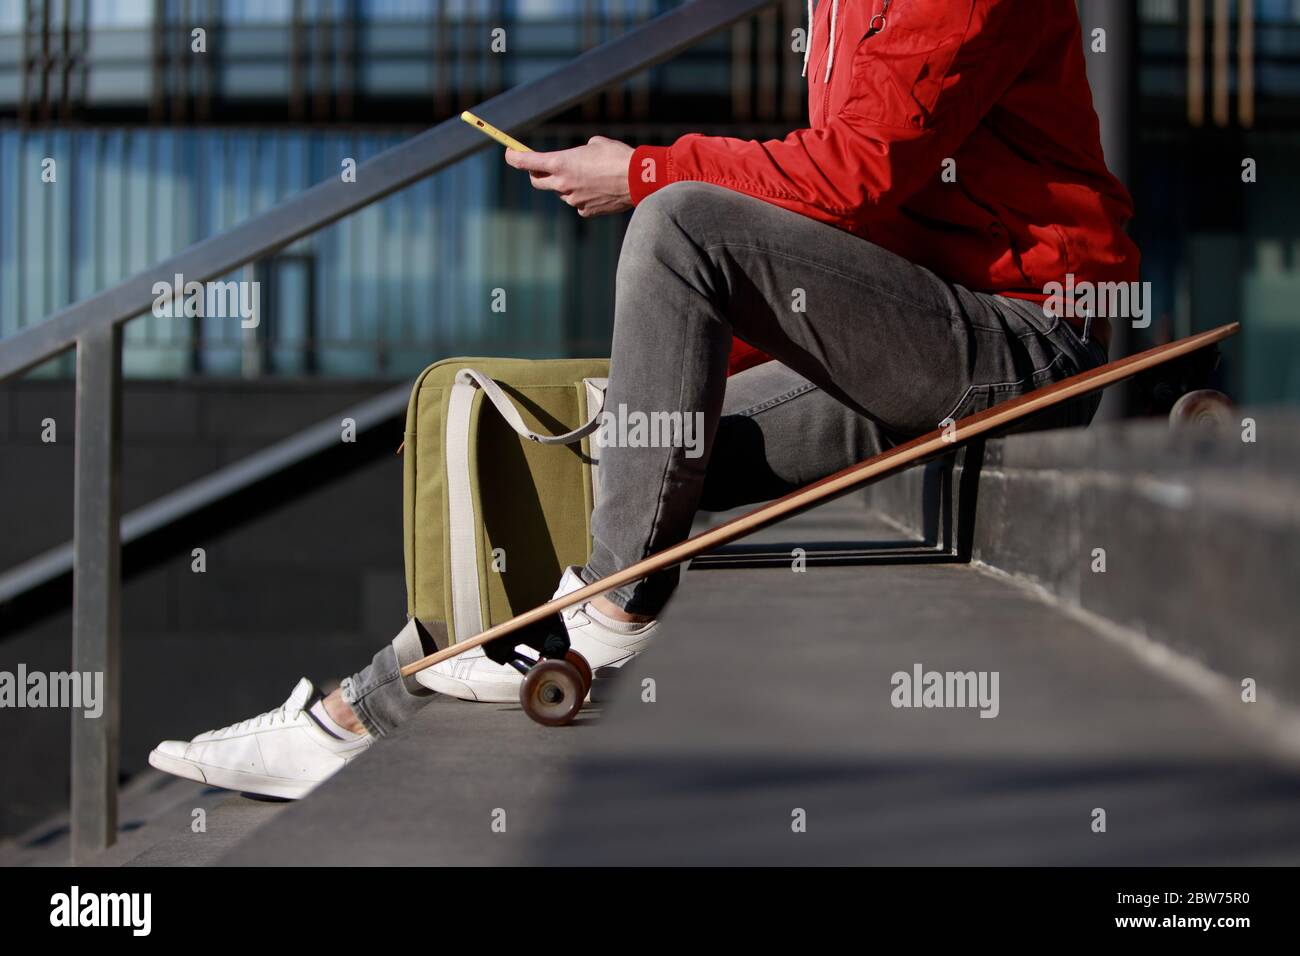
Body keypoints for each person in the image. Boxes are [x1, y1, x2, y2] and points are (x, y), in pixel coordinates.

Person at [149, 0, 1137, 799]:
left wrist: (642, 172)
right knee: (607, 440)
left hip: (1019, 337)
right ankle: (357, 711)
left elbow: (852, 177)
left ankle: (609, 613)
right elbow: (843, 253)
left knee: (678, 222)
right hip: (912, 339)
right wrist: (657, 379)